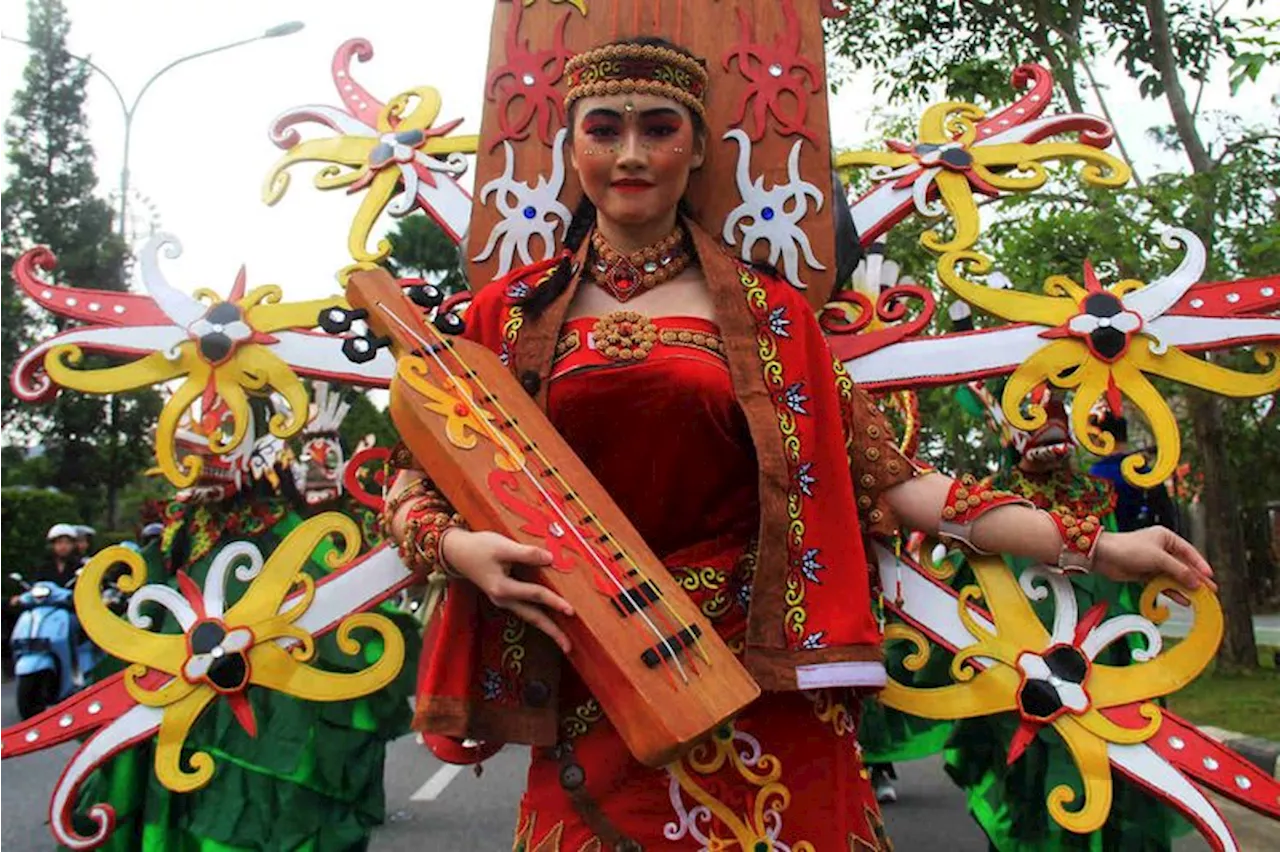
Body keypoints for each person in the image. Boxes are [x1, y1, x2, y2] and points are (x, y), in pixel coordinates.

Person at [385, 37, 1215, 849]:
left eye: (659, 129)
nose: (630, 153)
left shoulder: (771, 318)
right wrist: (462, 548)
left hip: (761, 679)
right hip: (597, 675)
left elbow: (895, 485)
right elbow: (417, 483)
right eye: (604, 129)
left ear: (699, 148)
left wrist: (1099, 545)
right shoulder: (506, 317)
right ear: (572, 148)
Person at [1090, 411, 1181, 533]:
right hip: (1143, 542)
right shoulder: (1147, 473)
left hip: (1106, 545)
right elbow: (1166, 516)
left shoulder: (1094, 475)